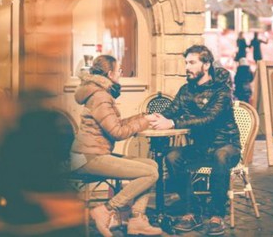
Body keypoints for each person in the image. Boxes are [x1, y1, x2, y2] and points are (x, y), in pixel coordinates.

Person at [149, 45, 241, 236]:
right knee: (173, 156)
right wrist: (150, 119)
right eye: (186, 62)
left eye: (191, 62)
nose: (187, 67)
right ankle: (193, 211)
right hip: (201, 148)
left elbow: (208, 119)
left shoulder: (221, 91)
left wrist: (173, 123)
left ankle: (217, 216)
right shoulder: (186, 90)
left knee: (221, 155)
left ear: (206, 64)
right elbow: (171, 111)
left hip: (227, 145)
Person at [70, 55, 162, 237]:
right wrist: (143, 122)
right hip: (89, 158)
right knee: (150, 173)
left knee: (152, 165)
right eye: (119, 71)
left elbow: (115, 124)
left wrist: (144, 118)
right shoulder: (101, 96)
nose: (121, 74)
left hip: (94, 154)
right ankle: (105, 209)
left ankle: (137, 220)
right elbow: (117, 132)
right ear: (110, 73)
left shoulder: (98, 92)